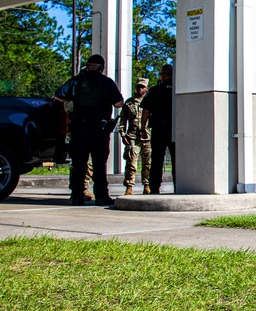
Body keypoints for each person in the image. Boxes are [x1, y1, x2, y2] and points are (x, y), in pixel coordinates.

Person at [54, 54, 124, 206]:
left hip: (79, 128)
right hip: (99, 129)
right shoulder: (107, 82)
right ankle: (101, 196)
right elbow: (119, 104)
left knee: (79, 163)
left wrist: (72, 102)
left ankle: (77, 195)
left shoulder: (76, 81)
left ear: (87, 65)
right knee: (99, 164)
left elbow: (57, 96)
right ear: (102, 68)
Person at [140, 63, 174, 194]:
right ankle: (178, 185)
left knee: (157, 160)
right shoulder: (177, 90)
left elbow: (145, 111)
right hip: (174, 130)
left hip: (159, 129)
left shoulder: (155, 91)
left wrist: (142, 129)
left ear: (164, 75)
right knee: (176, 160)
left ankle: (154, 188)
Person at [117, 77, 152, 196]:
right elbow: (122, 119)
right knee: (131, 162)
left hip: (147, 136)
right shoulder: (129, 103)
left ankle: (147, 185)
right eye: (138, 86)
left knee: (148, 163)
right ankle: (129, 186)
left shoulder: (149, 101)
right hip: (132, 136)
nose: (140, 89)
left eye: (142, 87)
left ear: (146, 88)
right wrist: (122, 133)